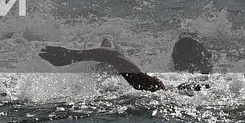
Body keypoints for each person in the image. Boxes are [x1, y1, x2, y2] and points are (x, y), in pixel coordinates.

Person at [38, 35, 213, 92]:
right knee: (110, 51)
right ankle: (102, 53)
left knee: (109, 48)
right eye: (206, 52)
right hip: (155, 94)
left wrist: (73, 55)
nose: (211, 54)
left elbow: (114, 56)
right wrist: (72, 56)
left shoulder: (161, 85)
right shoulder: (159, 87)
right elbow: (115, 56)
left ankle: (102, 53)